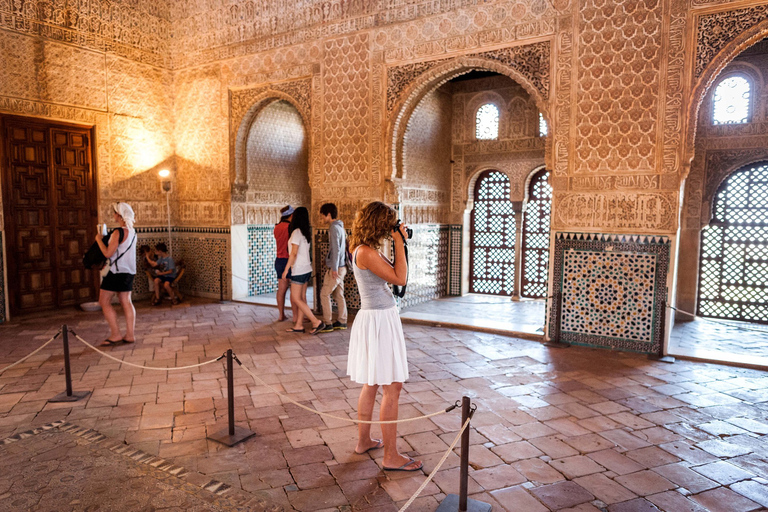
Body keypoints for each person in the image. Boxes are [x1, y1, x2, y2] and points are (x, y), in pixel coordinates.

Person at [347, 201, 422, 472]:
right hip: (379, 320)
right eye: (389, 222)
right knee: (393, 387)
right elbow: (400, 278)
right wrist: (400, 242)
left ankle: (364, 441)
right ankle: (391, 456)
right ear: (379, 223)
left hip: (376, 319)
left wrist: (395, 241)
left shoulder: (363, 248)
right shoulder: (365, 252)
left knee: (372, 382)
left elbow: (390, 274)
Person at [96, 202, 137, 346]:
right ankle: (130, 335)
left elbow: (108, 253)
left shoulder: (118, 232)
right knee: (126, 301)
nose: (113, 215)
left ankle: (116, 334)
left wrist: (99, 240)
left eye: (114, 212)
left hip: (116, 272)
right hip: (129, 271)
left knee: (104, 301)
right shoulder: (132, 232)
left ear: (119, 215)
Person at [282, 206, 326, 334]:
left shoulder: (296, 232)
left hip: (299, 270)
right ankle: (299, 325)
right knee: (301, 298)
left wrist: (286, 270)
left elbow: (294, 254)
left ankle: (315, 322)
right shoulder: (305, 232)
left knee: (296, 298)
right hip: (307, 269)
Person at [317, 203, 347, 333]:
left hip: (337, 268)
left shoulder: (334, 228)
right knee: (339, 294)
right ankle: (342, 320)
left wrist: (334, 268)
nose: (322, 218)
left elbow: (336, 249)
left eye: (323, 216)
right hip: (342, 267)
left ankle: (327, 323)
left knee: (324, 293)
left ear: (328, 214)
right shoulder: (341, 226)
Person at [274, 205, 296, 321]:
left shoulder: (276, 227)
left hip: (279, 260)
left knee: (281, 289)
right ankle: (296, 315)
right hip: (290, 260)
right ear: (291, 215)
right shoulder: (291, 228)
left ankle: (281, 315)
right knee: (294, 289)